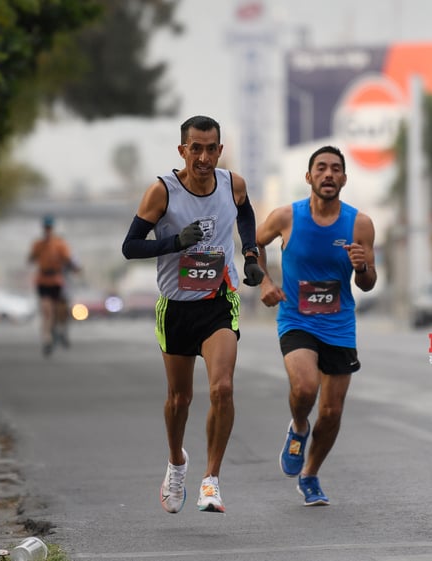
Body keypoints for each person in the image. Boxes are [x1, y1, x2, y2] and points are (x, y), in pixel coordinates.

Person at [121, 115, 264, 514]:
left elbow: (245, 213)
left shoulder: (232, 183)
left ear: (220, 150)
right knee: (179, 398)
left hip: (219, 301)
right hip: (176, 308)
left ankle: (211, 480)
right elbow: (130, 247)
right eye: (195, 148)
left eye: (211, 148)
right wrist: (173, 242)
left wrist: (250, 254)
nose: (203, 157)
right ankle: (176, 462)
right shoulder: (161, 192)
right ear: (182, 150)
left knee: (222, 388)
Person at [254, 145, 376, 506]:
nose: (328, 174)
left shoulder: (360, 224)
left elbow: (369, 283)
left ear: (343, 178)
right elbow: (252, 245)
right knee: (306, 389)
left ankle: (310, 475)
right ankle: (298, 427)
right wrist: (264, 282)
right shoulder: (285, 217)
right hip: (297, 318)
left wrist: (362, 267)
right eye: (321, 168)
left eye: (335, 169)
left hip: (339, 323)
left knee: (332, 411)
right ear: (309, 177)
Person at [27, 214, 80, 356]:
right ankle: (47, 340)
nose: (48, 230)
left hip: (58, 281)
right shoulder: (39, 244)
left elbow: (69, 260)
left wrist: (74, 268)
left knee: (60, 310)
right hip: (43, 280)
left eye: (49, 228)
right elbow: (31, 258)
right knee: (46, 311)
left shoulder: (60, 245)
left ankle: (61, 331)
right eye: (46, 228)